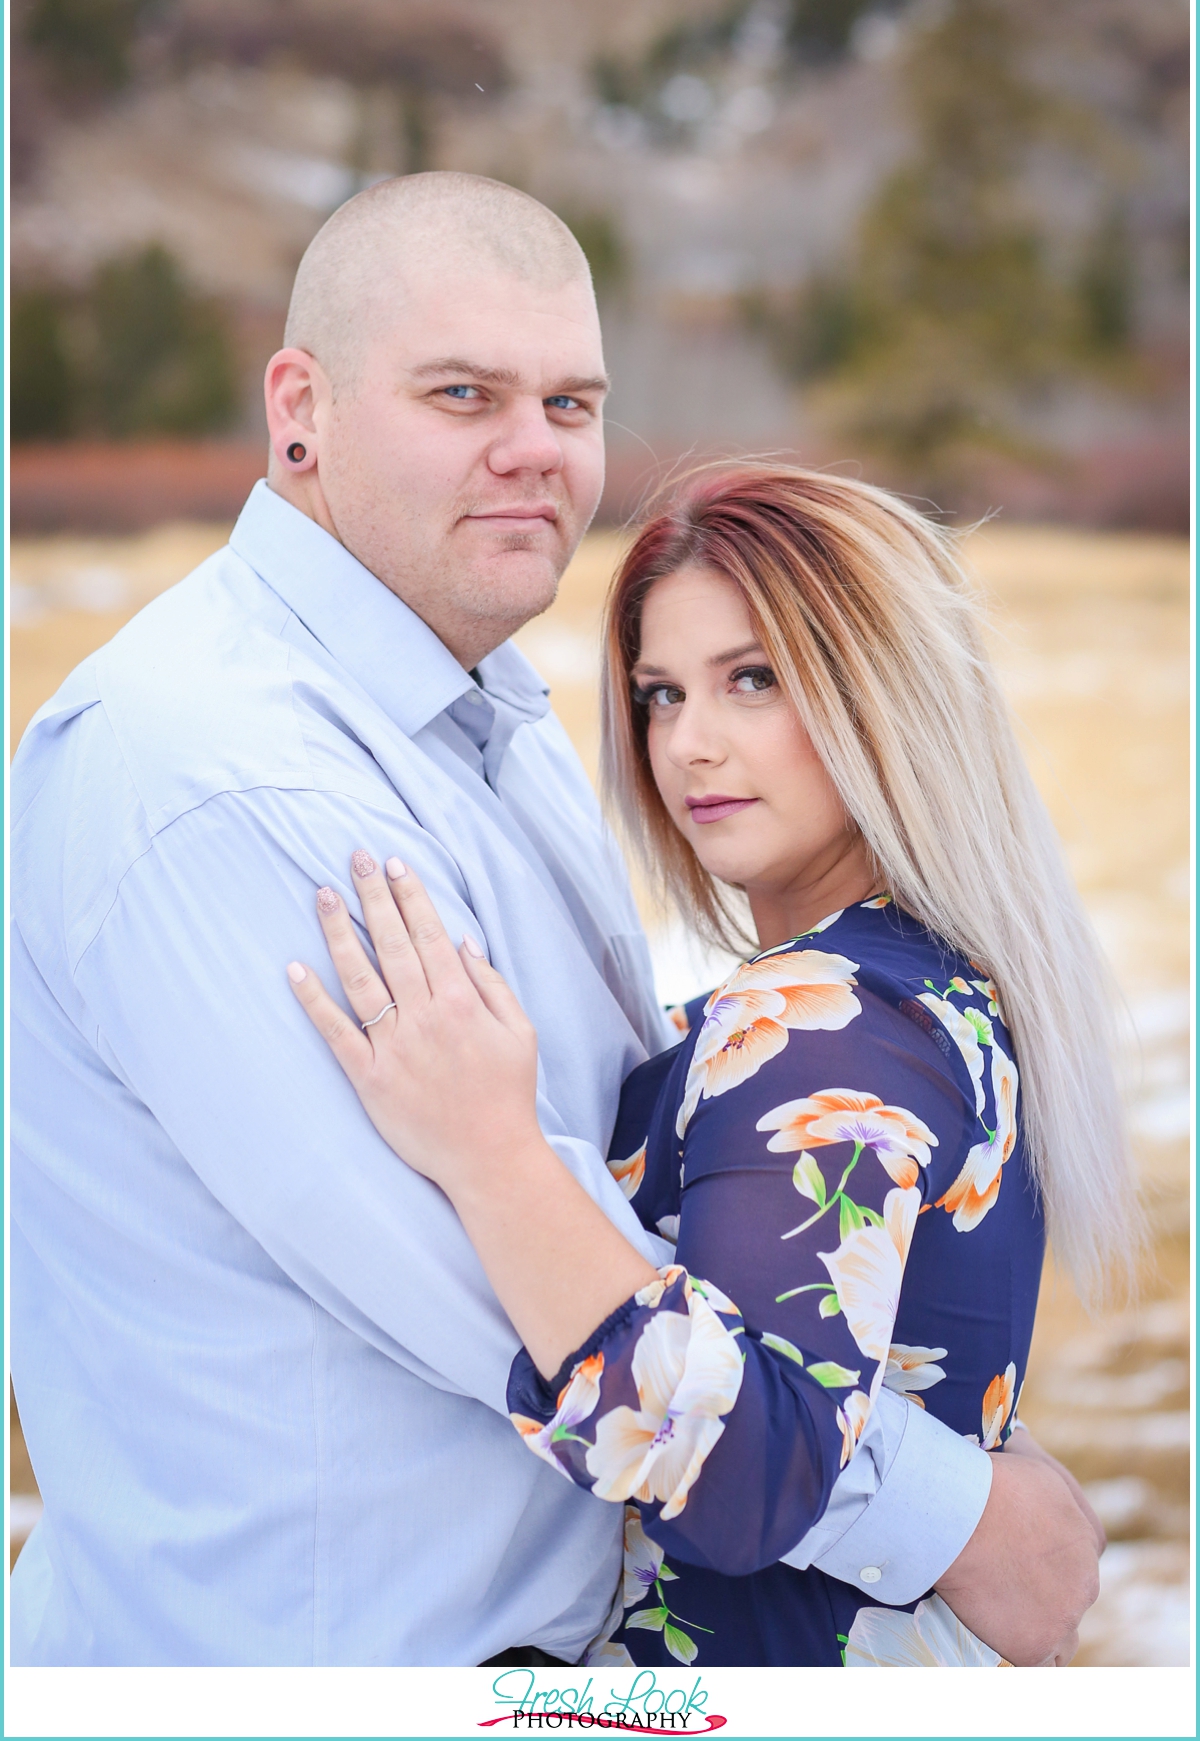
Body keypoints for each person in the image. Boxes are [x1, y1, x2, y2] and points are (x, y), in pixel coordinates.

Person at [11, 174, 1098, 1666]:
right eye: (463, 394)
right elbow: (490, 1281)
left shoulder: (494, 727)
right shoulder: (214, 770)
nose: (534, 452)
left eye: (573, 403)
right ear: (301, 408)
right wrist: (954, 1514)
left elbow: (640, 1202)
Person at [285, 461, 1129, 1666]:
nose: (689, 744)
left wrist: (492, 1155)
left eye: (753, 680)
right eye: (660, 693)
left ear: (883, 688)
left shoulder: (821, 1015)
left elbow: (752, 1460)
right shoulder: (928, 982)